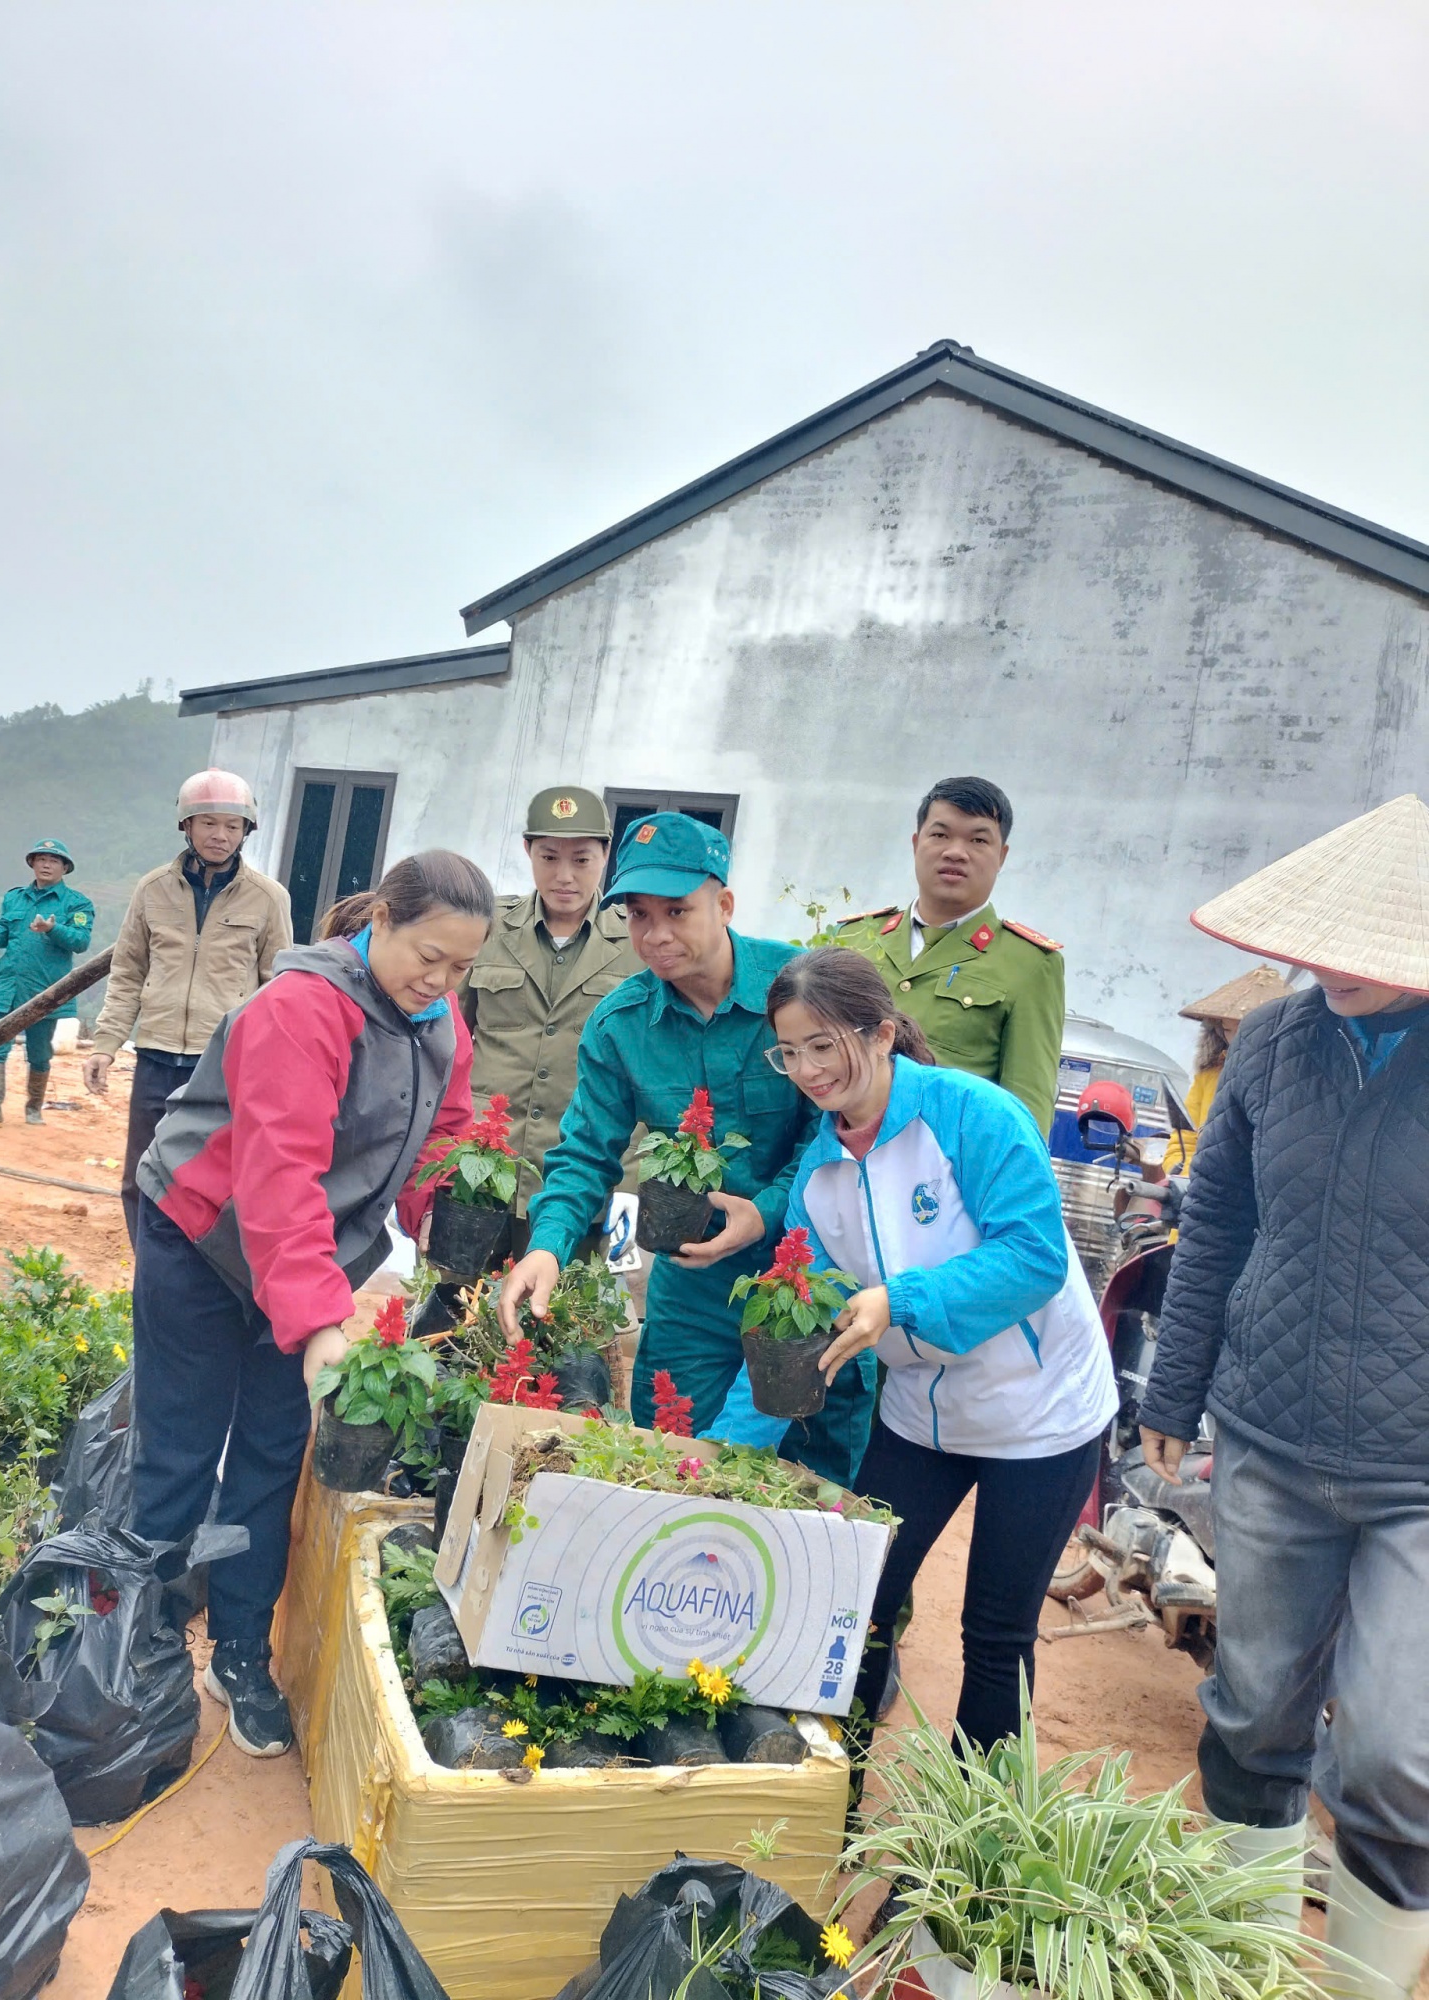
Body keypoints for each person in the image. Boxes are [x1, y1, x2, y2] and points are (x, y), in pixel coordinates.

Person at [1139, 794, 1429, 1998]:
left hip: (1420, 1466)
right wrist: (1177, 1381)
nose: (1331, 967)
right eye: (1320, 941)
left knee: (1396, 1746)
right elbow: (1213, 1227)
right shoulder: (1268, 1046)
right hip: (1270, 1429)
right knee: (1256, 1707)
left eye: (1370, 945)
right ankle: (1247, 1972)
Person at [129, 850, 491, 1756]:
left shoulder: (437, 1019)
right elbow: (278, 1173)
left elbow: (437, 1140)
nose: (442, 982)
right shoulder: (301, 1008)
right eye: (429, 957)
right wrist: (321, 1323)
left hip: (305, 1260)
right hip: (204, 1236)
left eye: (463, 968)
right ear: (383, 923)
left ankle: (240, 1652)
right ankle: (142, 1641)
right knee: (182, 1443)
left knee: (273, 1451)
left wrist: (462, 1223)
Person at [712, 946, 1115, 1750]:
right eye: (789, 1052)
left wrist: (902, 1301)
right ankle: (837, 1809)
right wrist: (716, 1458)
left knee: (994, 1637)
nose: (807, 1070)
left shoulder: (976, 1118)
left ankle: (966, 1862)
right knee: (859, 1607)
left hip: (1038, 1414)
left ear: (884, 1032)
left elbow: (1034, 1258)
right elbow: (796, 1332)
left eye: (823, 1045)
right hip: (920, 1417)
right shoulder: (817, 1179)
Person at [497, 811, 874, 1483]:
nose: (657, 934)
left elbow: (839, 1129)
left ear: (723, 903)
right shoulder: (622, 1026)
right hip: (693, 1294)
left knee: (819, 1499)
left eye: (678, 910)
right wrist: (548, 1245)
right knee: (675, 1476)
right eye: (639, 915)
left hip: (813, 1280)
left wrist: (765, 1208)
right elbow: (586, 1153)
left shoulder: (799, 992)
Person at [84, 770, 292, 1246]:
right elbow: (129, 970)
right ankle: (148, 1276)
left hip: (218, 1064)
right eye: (209, 823)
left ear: (245, 833)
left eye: (232, 826)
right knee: (140, 1175)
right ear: (187, 826)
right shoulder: (152, 889)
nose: (220, 835)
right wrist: (106, 1044)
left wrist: (269, 1063)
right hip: (155, 1056)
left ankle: (195, 1274)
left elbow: (277, 986)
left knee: (209, 1180)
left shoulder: (268, 898)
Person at [458, 786, 640, 1257]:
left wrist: (629, 1200)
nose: (564, 876)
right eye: (549, 857)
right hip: (482, 1167)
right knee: (456, 1316)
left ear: (606, 854)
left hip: (582, 1180)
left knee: (558, 1320)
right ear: (527, 851)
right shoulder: (488, 928)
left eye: (581, 860)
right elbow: (446, 1040)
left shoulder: (638, 946)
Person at [836, 776, 1064, 1135]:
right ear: (916, 844)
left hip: (945, 1172)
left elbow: (1026, 1110)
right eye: (940, 835)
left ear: (1002, 856)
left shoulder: (1032, 964)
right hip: (839, 1157)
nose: (956, 851)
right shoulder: (853, 939)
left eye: (978, 839)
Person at [0, 838, 95, 1127]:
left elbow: (81, 942)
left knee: (39, 1052)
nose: (46, 864)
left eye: (54, 860)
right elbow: (4, 934)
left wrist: (52, 928)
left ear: (65, 867)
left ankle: (33, 1108)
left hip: (45, 992)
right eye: (41, 858)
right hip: (7, 986)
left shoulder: (77, 903)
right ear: (32, 863)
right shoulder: (14, 897)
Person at [1161, 965, 1290, 1174]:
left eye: (1248, 1030)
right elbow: (1182, 1142)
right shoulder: (1210, 1075)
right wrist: (1187, 1176)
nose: (1239, 1039)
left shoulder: (1294, 1079)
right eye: (1230, 1030)